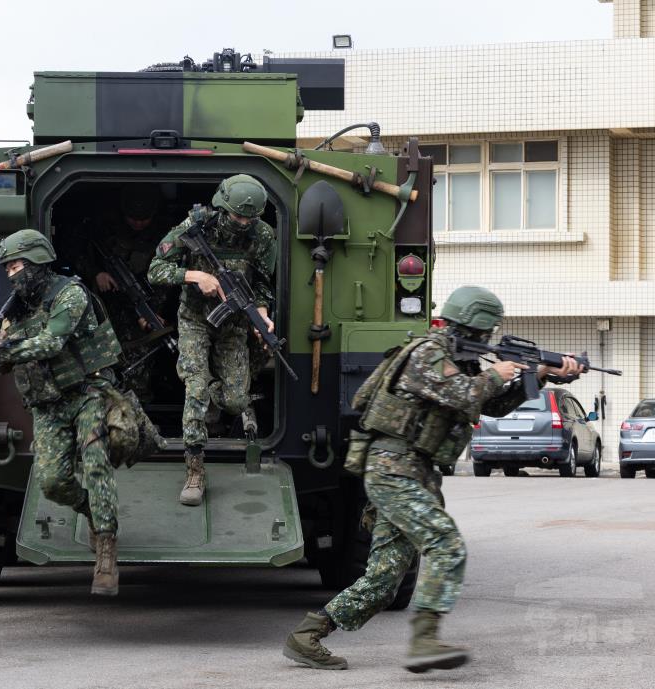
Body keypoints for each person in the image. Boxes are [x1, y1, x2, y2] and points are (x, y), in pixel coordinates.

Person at [282, 286, 584, 673]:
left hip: (414, 471)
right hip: (393, 467)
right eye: (485, 333)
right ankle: (425, 640)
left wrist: (541, 375)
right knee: (447, 544)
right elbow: (463, 394)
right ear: (472, 328)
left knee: (384, 578)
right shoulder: (427, 354)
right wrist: (496, 373)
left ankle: (307, 636)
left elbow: (488, 405)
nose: (488, 341)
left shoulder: (464, 363)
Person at [0, 229, 124, 595]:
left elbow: (53, 341)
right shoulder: (17, 307)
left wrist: (3, 348)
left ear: (38, 261)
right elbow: (10, 359)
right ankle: (89, 508)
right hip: (49, 405)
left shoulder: (70, 293)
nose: (11, 274)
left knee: (95, 461)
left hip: (88, 392)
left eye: (16, 265)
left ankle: (106, 548)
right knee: (52, 482)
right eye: (6, 268)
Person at [147, 174, 277, 506]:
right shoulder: (197, 225)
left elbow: (263, 282)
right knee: (195, 386)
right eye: (237, 216)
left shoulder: (262, 236)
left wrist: (261, 312)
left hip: (233, 323)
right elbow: (156, 270)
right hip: (194, 320)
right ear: (222, 207)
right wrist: (195, 275)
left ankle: (218, 396)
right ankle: (195, 470)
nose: (243, 222)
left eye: (250, 218)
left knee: (235, 400)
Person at [86, 185, 171, 403]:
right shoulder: (104, 229)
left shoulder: (164, 237)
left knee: (139, 366)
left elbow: (166, 279)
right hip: (105, 308)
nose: (139, 224)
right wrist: (96, 273)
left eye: (144, 219)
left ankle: (138, 412)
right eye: (133, 219)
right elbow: (76, 249)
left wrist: (153, 311)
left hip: (143, 303)